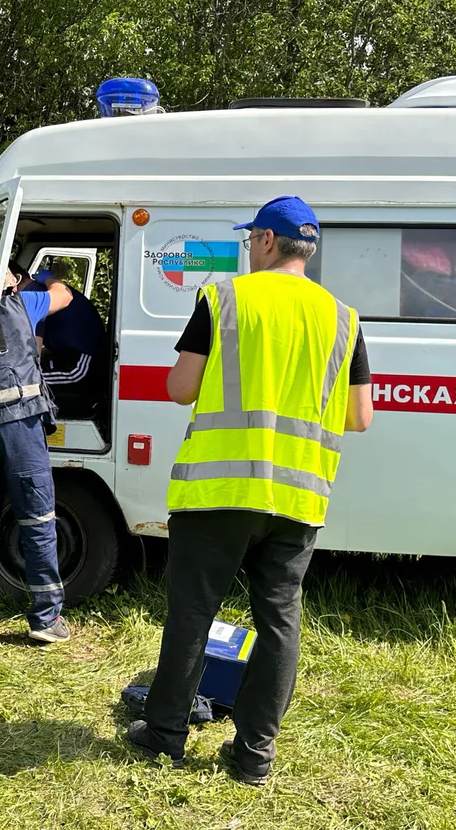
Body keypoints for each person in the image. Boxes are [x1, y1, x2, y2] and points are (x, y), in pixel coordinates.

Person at [126, 196, 374, 785]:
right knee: (280, 620)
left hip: (218, 490)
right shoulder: (343, 317)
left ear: (266, 240)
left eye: (249, 238)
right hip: (297, 498)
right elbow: (360, 416)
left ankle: (165, 739)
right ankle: (254, 756)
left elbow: (181, 388)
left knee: (192, 613)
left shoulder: (225, 299)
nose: (246, 248)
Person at [0, 264, 74, 645]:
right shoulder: (26, 301)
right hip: (21, 423)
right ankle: (45, 618)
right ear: (9, 284)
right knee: (37, 519)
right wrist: (46, 276)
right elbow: (66, 296)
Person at [13, 263, 108, 423]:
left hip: (78, 366)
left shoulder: (32, 295)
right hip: (74, 356)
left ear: (15, 280)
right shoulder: (42, 288)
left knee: (20, 382)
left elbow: (33, 351)